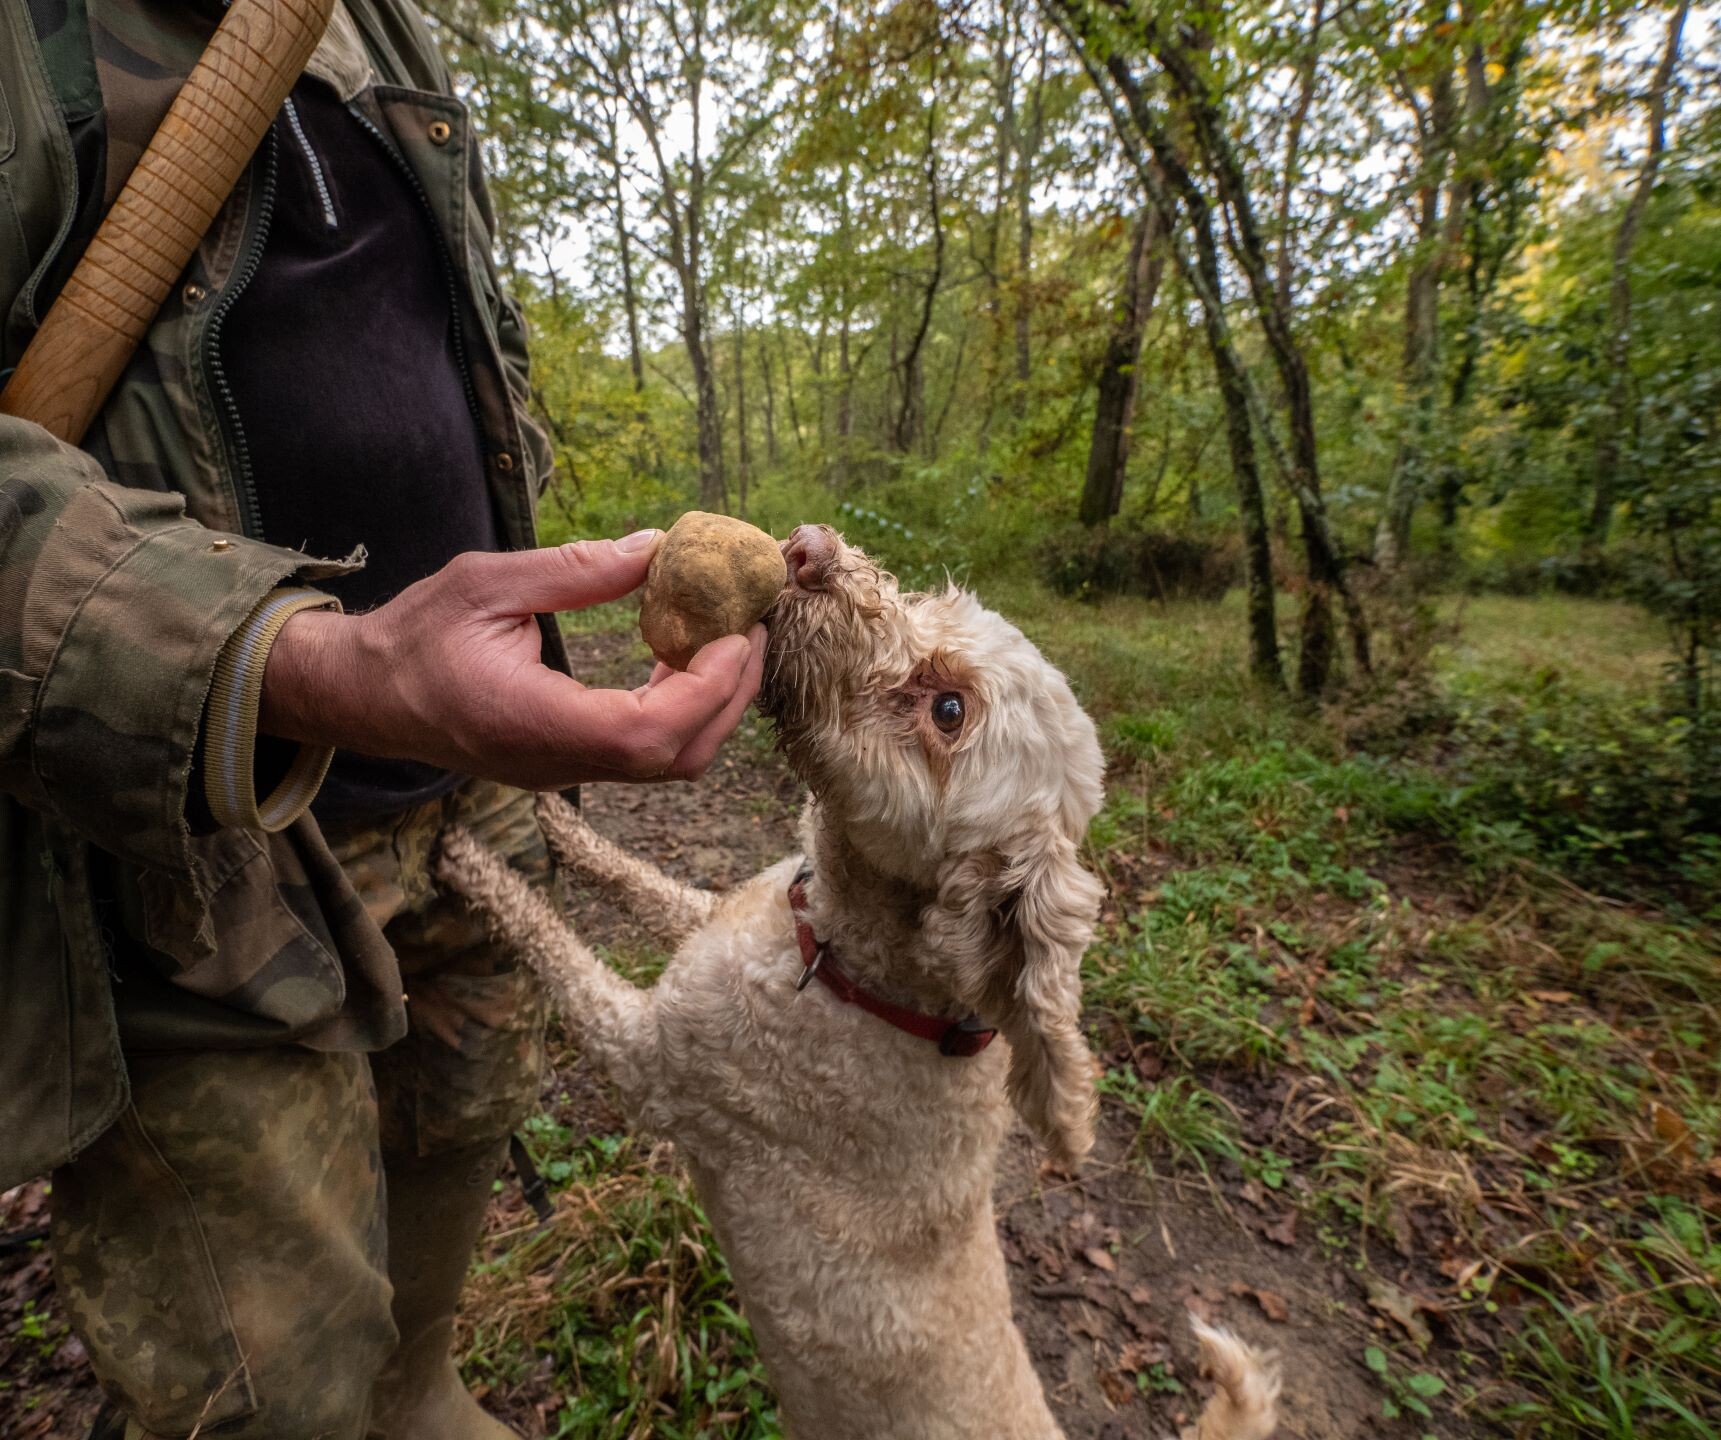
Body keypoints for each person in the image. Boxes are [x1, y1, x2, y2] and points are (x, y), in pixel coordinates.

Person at [0, 2, 764, 1435]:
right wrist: (305, 665)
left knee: (458, 1115)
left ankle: (421, 1394)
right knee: (270, 1385)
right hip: (176, 847)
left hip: (464, 786)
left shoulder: (378, 29)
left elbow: (446, 346)